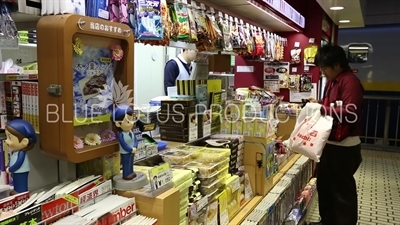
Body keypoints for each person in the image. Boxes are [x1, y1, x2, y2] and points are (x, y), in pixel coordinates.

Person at [308, 44, 364, 225]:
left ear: (337, 64)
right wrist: (318, 104)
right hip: (330, 143)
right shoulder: (333, 81)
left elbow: (350, 111)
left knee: (342, 192)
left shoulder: (349, 82)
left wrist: (322, 109)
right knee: (325, 186)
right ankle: (327, 221)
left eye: (324, 68)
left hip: (345, 146)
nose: (322, 72)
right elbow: (332, 106)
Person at [5, 119, 37, 194]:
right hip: (15, 171)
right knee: (16, 181)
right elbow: (11, 160)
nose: (6, 141)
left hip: (21, 171)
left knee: (21, 182)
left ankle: (21, 192)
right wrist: (9, 166)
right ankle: (17, 190)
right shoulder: (15, 152)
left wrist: (11, 169)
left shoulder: (21, 153)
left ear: (24, 142)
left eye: (10, 138)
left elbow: (18, 163)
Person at [111, 104, 137, 180]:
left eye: (132, 120)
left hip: (132, 150)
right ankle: (126, 174)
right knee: (126, 163)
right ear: (118, 124)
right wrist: (130, 149)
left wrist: (135, 146)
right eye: (128, 121)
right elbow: (123, 144)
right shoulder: (121, 134)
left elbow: (135, 140)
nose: (132, 123)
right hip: (126, 152)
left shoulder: (131, 132)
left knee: (131, 162)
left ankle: (131, 172)